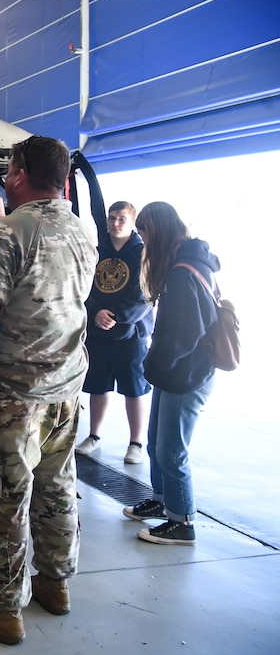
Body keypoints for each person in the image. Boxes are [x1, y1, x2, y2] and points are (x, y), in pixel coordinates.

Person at [0, 136, 97, 645]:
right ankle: (54, 585)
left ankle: (3, 609)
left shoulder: (2, 237)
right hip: (65, 391)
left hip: (12, 397)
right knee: (56, 489)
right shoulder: (83, 231)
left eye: (9, 168)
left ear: (19, 172)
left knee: (5, 500)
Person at [123, 202, 219, 546]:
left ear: (158, 232)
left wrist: (152, 365)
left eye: (145, 234)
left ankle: (182, 521)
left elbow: (183, 334)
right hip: (175, 372)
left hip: (187, 374)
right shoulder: (187, 264)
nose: (143, 243)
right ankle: (164, 502)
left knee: (172, 451)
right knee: (155, 444)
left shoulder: (182, 272)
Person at [76, 201, 155, 464]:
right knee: (97, 386)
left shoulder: (143, 253)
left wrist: (119, 317)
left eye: (121, 219)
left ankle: (136, 443)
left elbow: (145, 294)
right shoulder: (97, 252)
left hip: (132, 335)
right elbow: (84, 286)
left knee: (134, 389)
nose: (115, 224)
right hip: (99, 331)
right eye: (111, 218)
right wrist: (95, 312)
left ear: (132, 223)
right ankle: (94, 435)